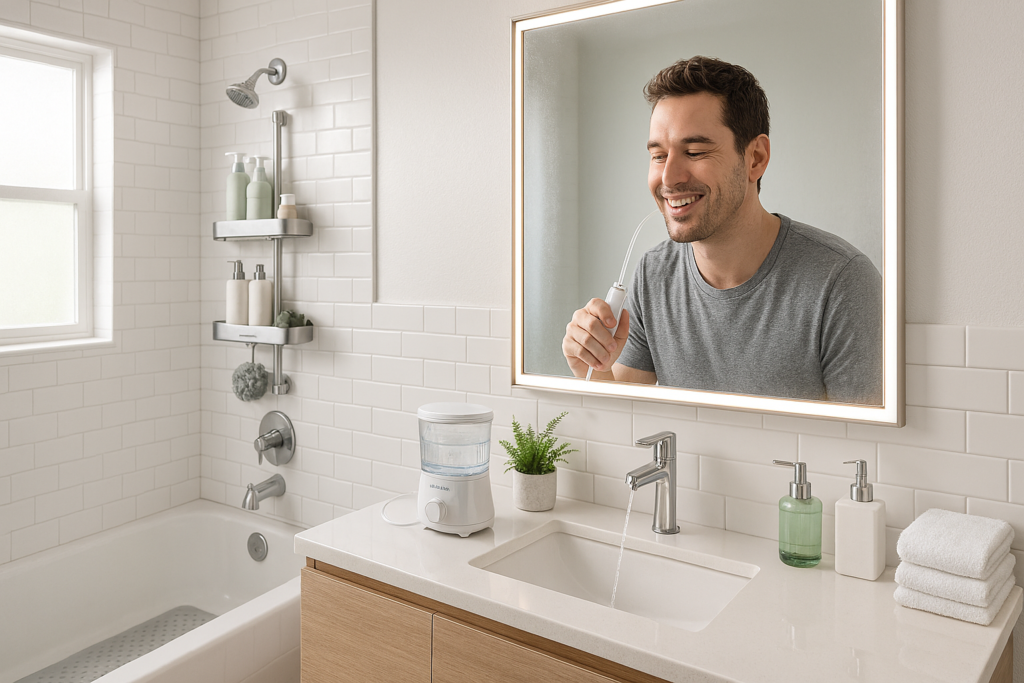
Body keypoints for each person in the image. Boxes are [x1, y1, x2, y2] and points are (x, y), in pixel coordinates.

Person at [561, 56, 882, 405]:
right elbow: (629, 416)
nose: (668, 178)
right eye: (658, 156)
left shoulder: (841, 282)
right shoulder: (654, 273)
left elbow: (868, 449)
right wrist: (594, 368)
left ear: (755, 158)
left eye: (695, 151)